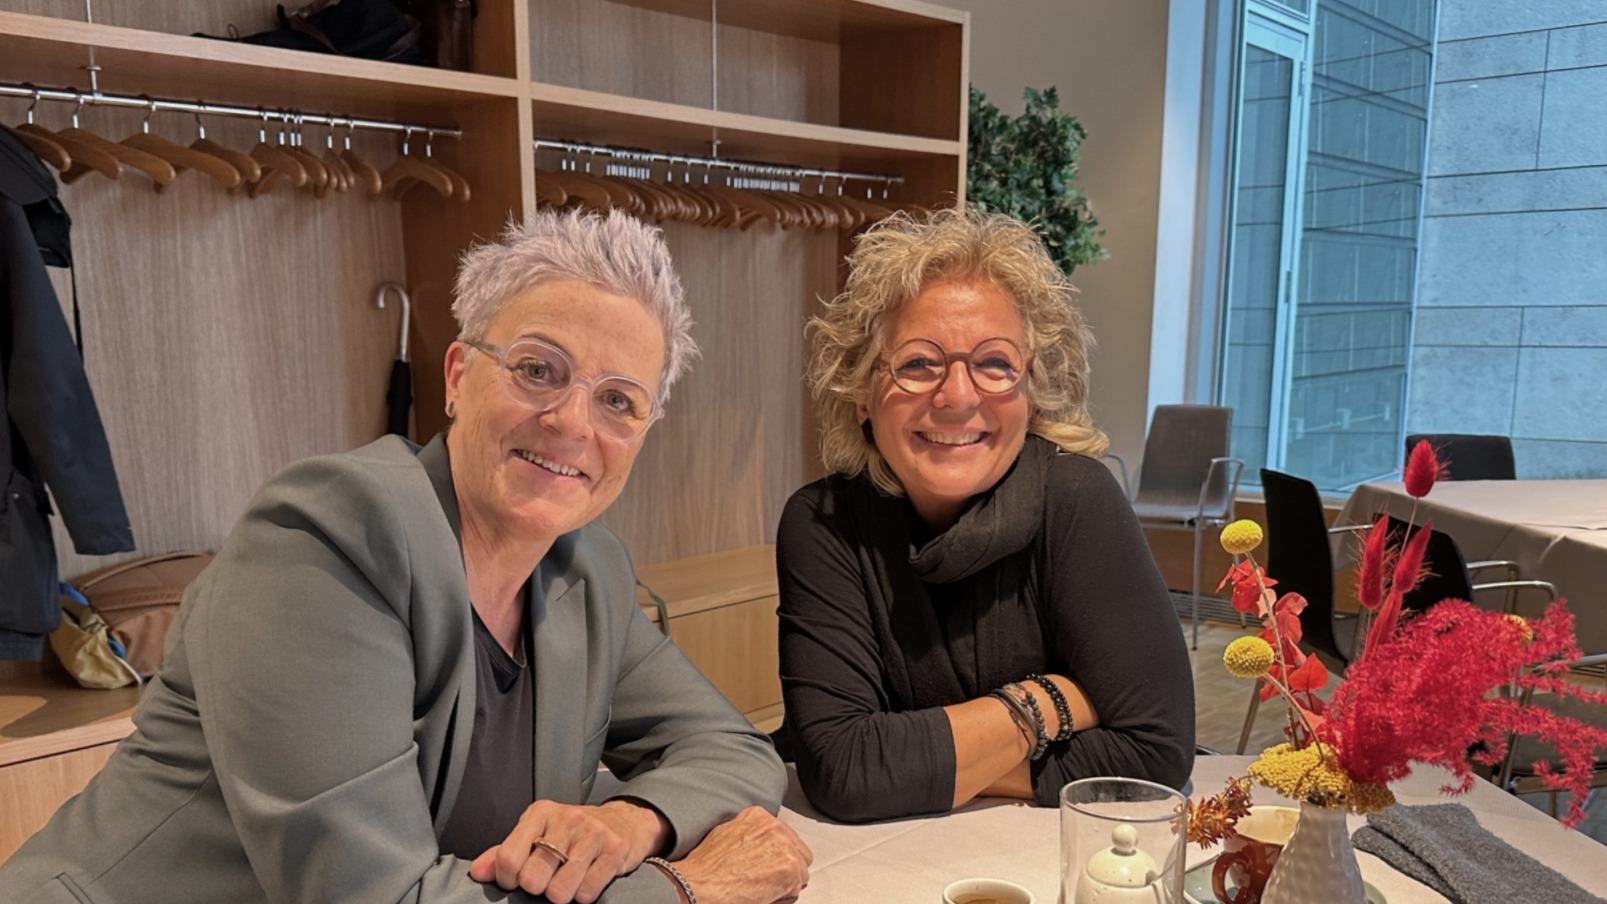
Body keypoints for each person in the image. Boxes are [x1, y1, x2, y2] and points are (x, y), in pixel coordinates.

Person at [0, 209, 811, 904]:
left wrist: (633, 820)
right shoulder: (322, 542)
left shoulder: (584, 569)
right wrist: (684, 889)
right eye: (537, 370)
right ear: (457, 376)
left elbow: (735, 750)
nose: (572, 423)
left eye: (618, 401)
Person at [776, 204, 1195, 823]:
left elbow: (1154, 757)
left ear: (1032, 390)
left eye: (995, 363)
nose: (957, 396)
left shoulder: (1077, 499)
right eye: (917, 363)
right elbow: (844, 769)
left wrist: (912, 761)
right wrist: (1050, 702)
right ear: (862, 393)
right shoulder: (823, 522)